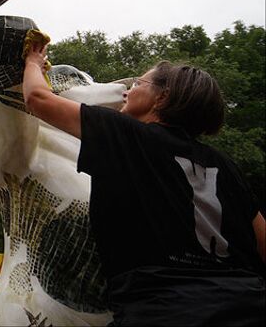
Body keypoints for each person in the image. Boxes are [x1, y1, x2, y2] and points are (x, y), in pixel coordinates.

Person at [22, 39, 266, 326]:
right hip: (251, 305)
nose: (127, 91)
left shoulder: (125, 135)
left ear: (161, 98)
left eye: (138, 83)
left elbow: (37, 99)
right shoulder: (225, 165)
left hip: (163, 311)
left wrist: (33, 63)